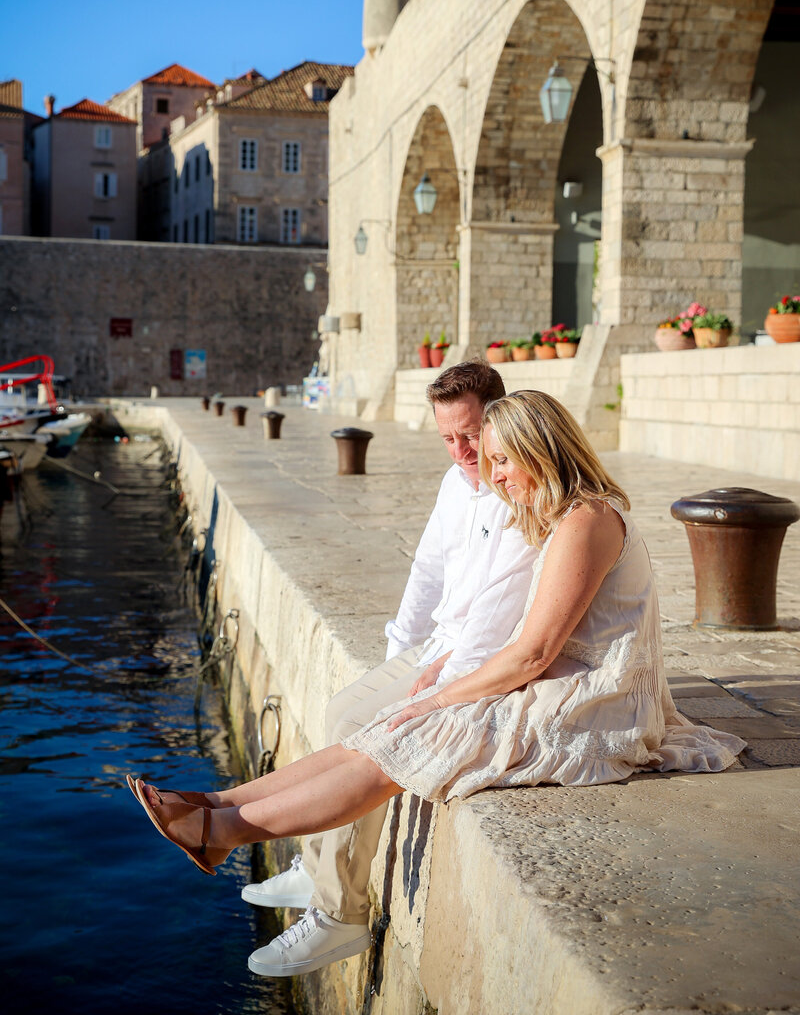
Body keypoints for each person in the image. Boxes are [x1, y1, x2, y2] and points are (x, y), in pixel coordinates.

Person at [129, 389, 745, 978]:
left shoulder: (587, 520)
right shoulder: (569, 517)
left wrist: (444, 694)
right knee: (380, 730)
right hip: (563, 686)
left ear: (541, 450)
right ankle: (217, 806)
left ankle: (225, 832)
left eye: (504, 459)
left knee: (410, 736)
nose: (496, 475)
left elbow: (532, 653)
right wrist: (440, 687)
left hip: (593, 705)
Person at [132, 361, 539, 976]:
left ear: (501, 421)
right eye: (448, 439)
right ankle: (301, 858)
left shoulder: (516, 494)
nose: (462, 452)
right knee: (344, 707)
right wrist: (398, 654)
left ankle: (338, 912)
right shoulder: (456, 485)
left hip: (472, 660)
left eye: (473, 435)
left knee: (370, 718)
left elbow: (501, 619)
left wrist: (434, 683)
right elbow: (427, 573)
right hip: (440, 648)